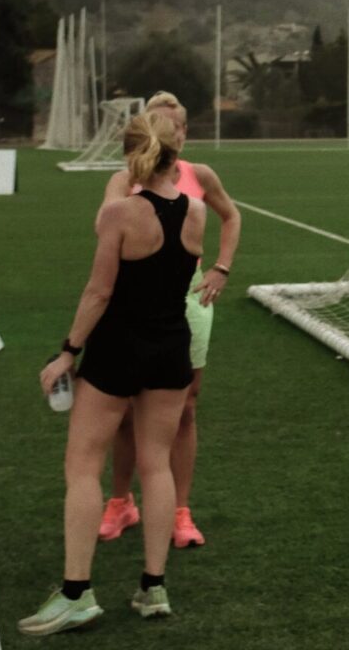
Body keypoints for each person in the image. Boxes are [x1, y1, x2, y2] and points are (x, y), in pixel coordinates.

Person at [22, 111, 215, 634]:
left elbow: (99, 291)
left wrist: (67, 351)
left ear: (131, 155)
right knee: (157, 466)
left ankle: (76, 592)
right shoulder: (196, 212)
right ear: (174, 154)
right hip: (170, 350)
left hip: (117, 349)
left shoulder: (118, 214)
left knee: (83, 465)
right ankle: (154, 587)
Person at [94, 92, 239, 550]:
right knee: (122, 412)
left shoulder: (201, 176)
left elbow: (232, 215)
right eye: (155, 123)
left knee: (184, 411)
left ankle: (180, 511)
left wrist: (221, 266)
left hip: (188, 305)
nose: (165, 132)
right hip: (131, 305)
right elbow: (104, 229)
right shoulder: (123, 180)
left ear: (183, 132)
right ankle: (121, 501)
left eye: (172, 125)